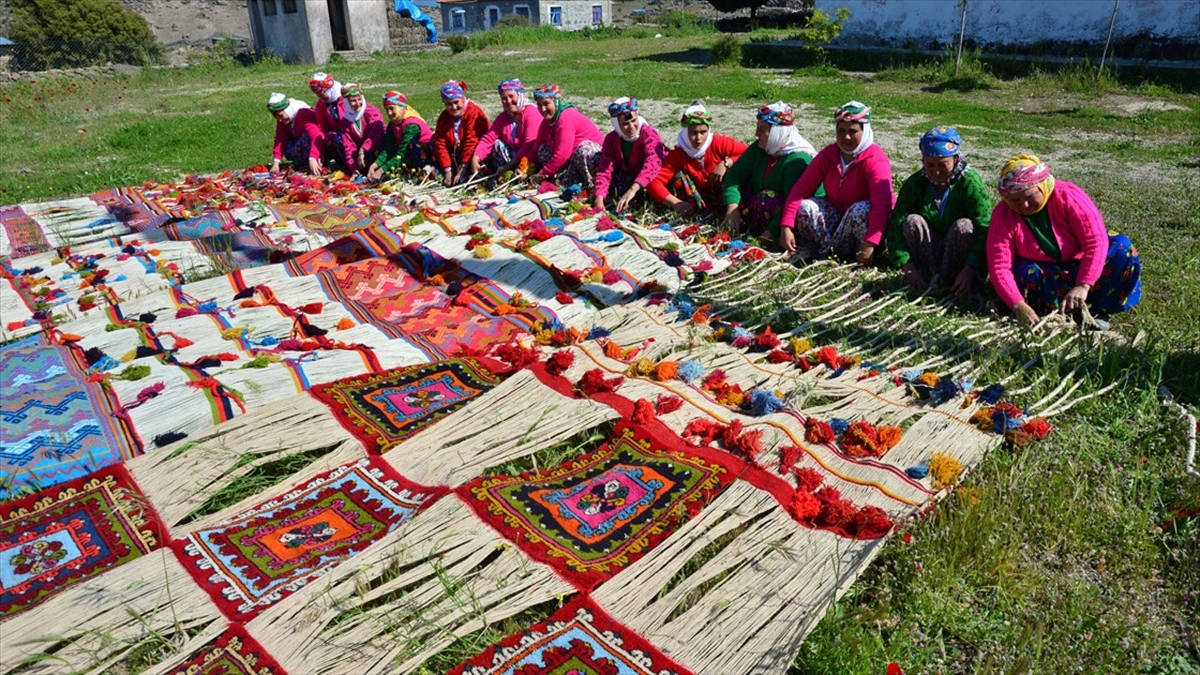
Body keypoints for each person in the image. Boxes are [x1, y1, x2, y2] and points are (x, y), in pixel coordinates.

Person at [987, 154, 1141, 327]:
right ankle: (1047, 312)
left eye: (1030, 197)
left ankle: (1097, 309)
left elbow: (1095, 241)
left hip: (1080, 264)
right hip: (1046, 273)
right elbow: (999, 266)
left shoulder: (1068, 196)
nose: (1024, 205)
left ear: (1042, 187)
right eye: (1015, 200)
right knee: (1024, 271)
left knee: (1122, 247)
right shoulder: (1003, 215)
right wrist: (1018, 305)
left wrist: (1083, 285)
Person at [780, 101, 895, 262]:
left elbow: (882, 204)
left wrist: (870, 242)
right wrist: (786, 226)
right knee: (806, 207)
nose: (846, 137)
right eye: (841, 131)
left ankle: (859, 257)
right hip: (837, 220)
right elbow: (800, 190)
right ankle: (827, 255)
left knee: (862, 210)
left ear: (865, 131)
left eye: (852, 131)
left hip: (864, 229)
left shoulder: (875, 160)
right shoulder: (829, 155)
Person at [886, 126, 992, 295]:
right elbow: (897, 222)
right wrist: (907, 265)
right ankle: (928, 275)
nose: (936, 171)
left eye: (943, 164)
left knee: (964, 226)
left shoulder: (970, 183)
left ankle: (958, 280)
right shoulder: (917, 183)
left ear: (955, 159)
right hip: (930, 253)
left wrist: (970, 268)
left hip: (961, 259)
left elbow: (984, 226)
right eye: (930, 165)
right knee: (912, 221)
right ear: (923, 161)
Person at [721, 101, 818, 245]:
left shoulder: (796, 161)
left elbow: (792, 204)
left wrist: (765, 237)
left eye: (762, 129)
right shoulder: (762, 148)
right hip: (762, 209)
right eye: (757, 127)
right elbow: (735, 174)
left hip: (788, 217)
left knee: (766, 198)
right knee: (730, 185)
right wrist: (732, 207)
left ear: (777, 133)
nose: (756, 133)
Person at [647, 101, 748, 217]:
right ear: (685, 132)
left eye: (703, 132)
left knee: (734, 169)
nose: (698, 138)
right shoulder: (679, 154)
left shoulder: (719, 143)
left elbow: (749, 153)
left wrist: (726, 163)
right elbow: (654, 182)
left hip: (724, 196)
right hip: (694, 202)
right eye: (693, 133)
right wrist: (676, 203)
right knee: (677, 176)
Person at [515, 83, 605, 189]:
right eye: (539, 105)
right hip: (572, 162)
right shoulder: (546, 123)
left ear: (556, 101)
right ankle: (563, 182)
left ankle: (593, 186)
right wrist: (523, 166)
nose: (542, 109)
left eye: (546, 104)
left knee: (584, 149)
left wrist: (540, 175)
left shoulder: (566, 118)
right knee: (542, 149)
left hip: (596, 161)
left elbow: (562, 155)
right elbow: (535, 150)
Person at [593, 97, 666, 212]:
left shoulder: (648, 134)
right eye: (625, 124)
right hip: (627, 177)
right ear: (617, 125)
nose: (631, 127)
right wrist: (599, 198)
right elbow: (604, 169)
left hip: (644, 181)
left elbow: (652, 163)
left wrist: (633, 189)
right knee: (595, 159)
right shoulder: (612, 139)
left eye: (634, 121)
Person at [469, 78, 542, 178]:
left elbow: (529, 144)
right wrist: (475, 158)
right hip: (512, 160)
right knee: (496, 144)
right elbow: (488, 139)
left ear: (520, 95)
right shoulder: (503, 117)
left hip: (530, 158)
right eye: (504, 98)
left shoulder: (531, 113)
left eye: (511, 96)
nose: (508, 101)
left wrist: (508, 166)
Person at [431, 80, 491, 187]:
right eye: (449, 104)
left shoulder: (472, 112)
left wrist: (463, 168)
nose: (454, 107)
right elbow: (440, 143)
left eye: (456, 102)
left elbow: (471, 141)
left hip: (473, 153)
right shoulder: (444, 118)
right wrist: (447, 170)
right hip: (457, 153)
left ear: (462, 99)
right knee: (433, 141)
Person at [367, 91, 434, 182]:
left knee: (413, 146)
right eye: (386, 109)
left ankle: (420, 173)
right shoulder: (394, 123)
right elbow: (388, 148)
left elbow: (402, 153)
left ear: (401, 107)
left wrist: (380, 170)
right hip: (404, 154)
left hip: (423, 154)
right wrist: (374, 165)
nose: (389, 113)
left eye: (392, 108)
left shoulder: (411, 125)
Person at [267, 93, 324, 175]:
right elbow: (280, 138)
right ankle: (303, 162)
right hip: (299, 143)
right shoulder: (284, 118)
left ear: (287, 109)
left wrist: (313, 158)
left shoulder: (304, 113)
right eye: (277, 117)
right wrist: (276, 163)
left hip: (319, 145)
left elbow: (316, 137)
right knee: (287, 145)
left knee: (307, 137)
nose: (279, 120)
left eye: (281, 116)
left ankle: (314, 162)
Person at [337, 83, 385, 177]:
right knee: (338, 139)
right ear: (346, 102)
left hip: (375, 146)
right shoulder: (346, 120)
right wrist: (353, 168)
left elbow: (376, 132)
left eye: (359, 99)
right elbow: (348, 144)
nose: (358, 103)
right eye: (353, 101)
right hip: (362, 152)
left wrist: (363, 149)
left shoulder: (371, 111)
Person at [308, 71, 348, 167]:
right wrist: (316, 154)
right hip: (337, 138)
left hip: (350, 133)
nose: (320, 97)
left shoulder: (346, 98)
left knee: (339, 138)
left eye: (322, 93)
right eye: (317, 94)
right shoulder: (321, 105)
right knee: (329, 137)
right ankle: (343, 164)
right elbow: (321, 130)